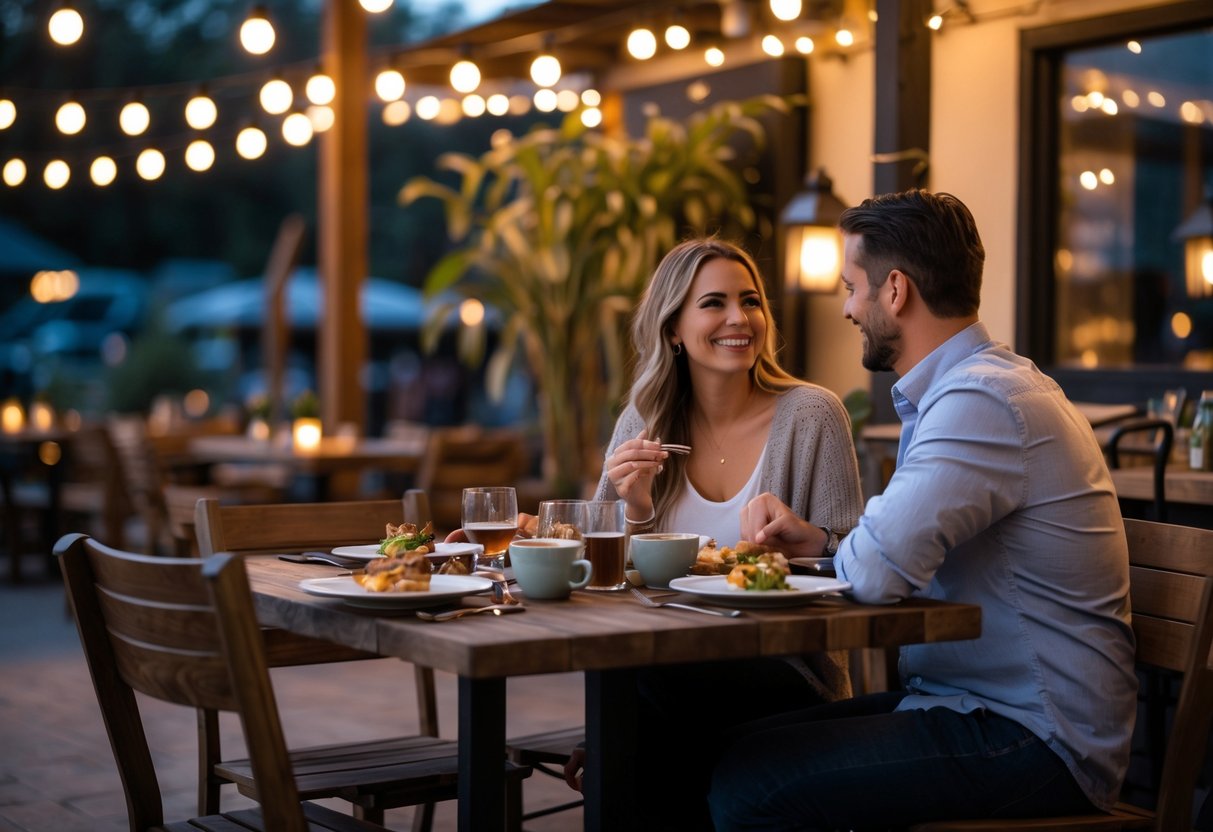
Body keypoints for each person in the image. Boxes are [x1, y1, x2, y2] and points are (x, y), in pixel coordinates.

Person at [710, 190, 1137, 830]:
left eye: (853, 287)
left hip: (1037, 739)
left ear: (896, 291)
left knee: (752, 783)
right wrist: (826, 546)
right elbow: (880, 556)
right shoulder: (971, 390)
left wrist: (843, 555)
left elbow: (878, 574)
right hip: (966, 707)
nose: (849, 307)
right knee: (720, 749)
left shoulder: (983, 401)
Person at [563, 237, 865, 829]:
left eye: (750, 301)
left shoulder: (812, 415)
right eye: (714, 303)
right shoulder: (642, 422)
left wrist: (811, 538)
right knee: (646, 706)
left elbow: (858, 562)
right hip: (663, 682)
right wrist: (637, 511)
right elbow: (596, 586)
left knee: (628, 740)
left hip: (784, 672)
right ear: (673, 329)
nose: (738, 318)